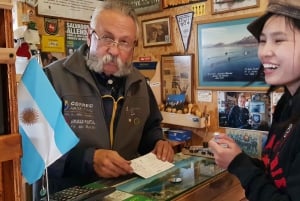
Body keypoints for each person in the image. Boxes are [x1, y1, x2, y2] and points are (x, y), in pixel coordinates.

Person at [36, 0, 174, 197]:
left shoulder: (140, 84)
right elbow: (35, 150)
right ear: (89, 36)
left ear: (133, 47)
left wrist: (158, 143)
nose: (114, 51)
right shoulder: (50, 80)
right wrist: (87, 159)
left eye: (124, 42)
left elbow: (150, 129)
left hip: (122, 193)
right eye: (107, 38)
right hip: (67, 195)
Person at [209, 1, 300, 200]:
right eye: (262, 40)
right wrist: (238, 158)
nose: (264, 52)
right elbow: (278, 174)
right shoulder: (287, 102)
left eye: (278, 40)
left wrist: (239, 164)